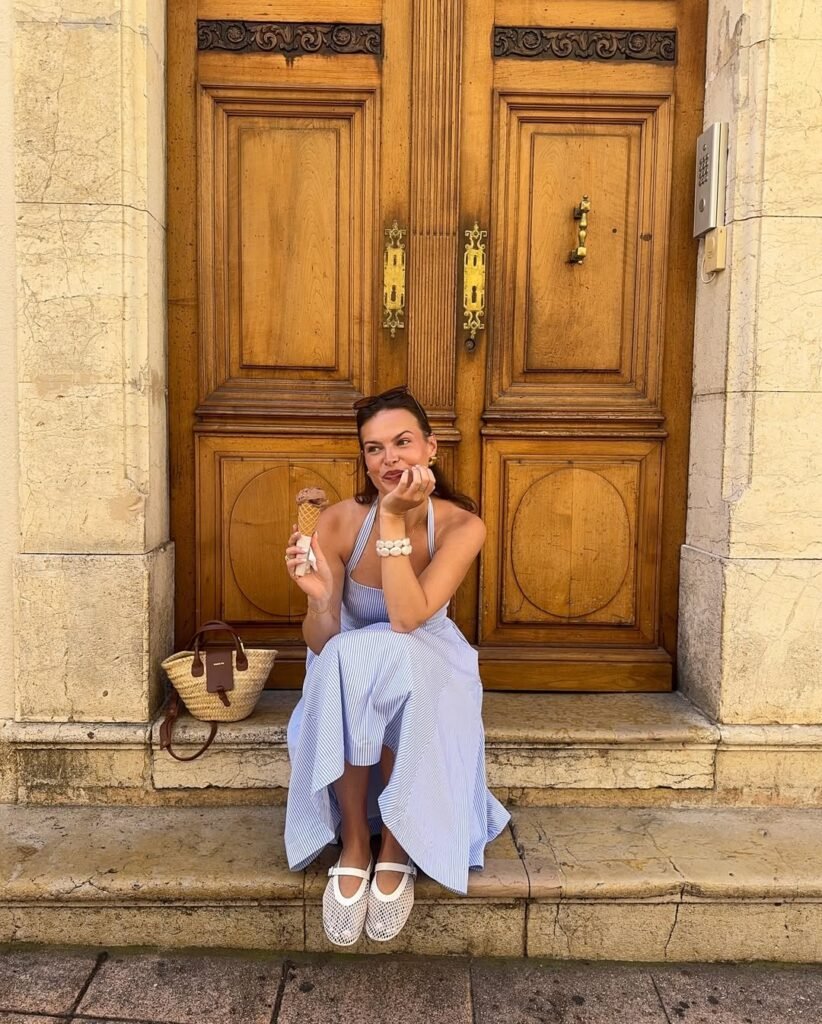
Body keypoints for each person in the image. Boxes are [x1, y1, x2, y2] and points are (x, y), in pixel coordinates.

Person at [283, 385, 510, 946]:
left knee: (393, 653)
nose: (389, 459)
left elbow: (407, 619)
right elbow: (323, 642)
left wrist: (391, 520)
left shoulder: (461, 526)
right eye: (374, 448)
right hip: (347, 670)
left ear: (431, 447)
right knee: (347, 653)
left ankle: (397, 843)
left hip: (430, 662)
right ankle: (355, 841)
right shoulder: (336, 522)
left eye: (402, 442)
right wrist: (319, 601)